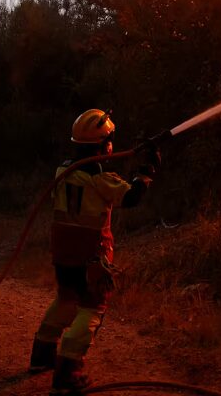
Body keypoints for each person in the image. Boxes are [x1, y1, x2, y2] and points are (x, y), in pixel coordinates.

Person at [29, 108, 161, 394]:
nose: (111, 145)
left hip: (63, 250)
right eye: (109, 140)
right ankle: (68, 372)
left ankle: (42, 354)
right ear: (104, 145)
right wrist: (146, 174)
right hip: (90, 253)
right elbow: (131, 197)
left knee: (66, 299)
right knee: (91, 308)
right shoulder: (100, 179)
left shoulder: (63, 171)